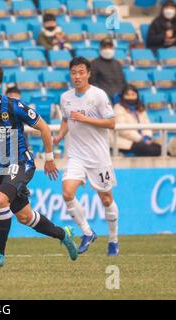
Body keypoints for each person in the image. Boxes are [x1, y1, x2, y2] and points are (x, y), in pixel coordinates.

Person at [0, 63, 78, 268]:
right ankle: (63, 234)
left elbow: (44, 129)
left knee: (0, 200)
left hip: (21, 162)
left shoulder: (14, 106)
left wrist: (50, 158)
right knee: (25, 217)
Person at [54, 57, 120, 256]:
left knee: (107, 199)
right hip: (76, 155)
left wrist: (86, 119)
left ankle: (113, 240)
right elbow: (66, 119)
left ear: (88, 74)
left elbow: (112, 123)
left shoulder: (98, 95)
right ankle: (87, 232)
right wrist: (59, 136)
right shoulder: (65, 97)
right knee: (67, 193)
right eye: (74, 72)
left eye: (81, 72)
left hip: (99, 157)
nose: (77, 76)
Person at [112, 85, 162, 157]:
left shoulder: (140, 108)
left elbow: (147, 125)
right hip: (126, 141)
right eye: (127, 95)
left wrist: (147, 137)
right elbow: (123, 130)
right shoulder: (118, 108)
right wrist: (140, 139)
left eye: (133, 95)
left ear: (137, 96)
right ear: (123, 96)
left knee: (159, 147)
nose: (130, 97)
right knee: (152, 150)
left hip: (143, 140)